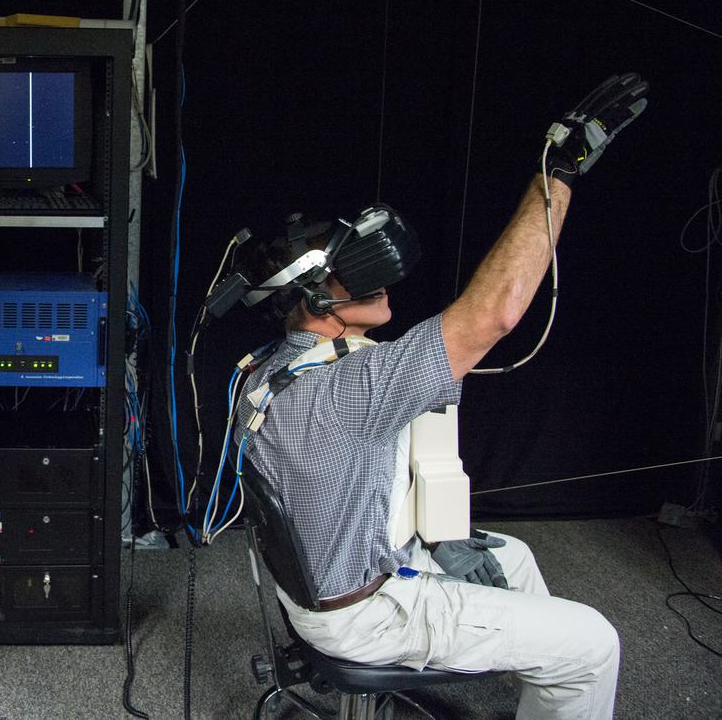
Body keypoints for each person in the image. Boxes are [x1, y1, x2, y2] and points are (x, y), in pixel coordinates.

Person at [233, 74, 648, 720]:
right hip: (363, 611)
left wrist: (431, 537)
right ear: (313, 296)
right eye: (356, 268)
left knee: (513, 554)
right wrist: (556, 171)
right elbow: (494, 316)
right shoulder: (345, 390)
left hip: (331, 574)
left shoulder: (266, 369)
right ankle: (561, 672)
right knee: (593, 641)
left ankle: (538, 680)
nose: (381, 275)